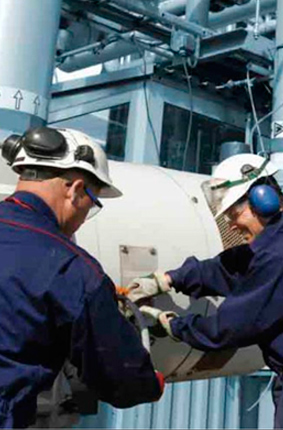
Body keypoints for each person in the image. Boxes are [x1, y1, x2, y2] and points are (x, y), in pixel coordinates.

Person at [127, 153, 283, 428]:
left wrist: (173, 326)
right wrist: (169, 279)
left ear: (262, 199)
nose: (232, 225)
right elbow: (231, 267)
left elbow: (232, 327)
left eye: (234, 214)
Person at [0, 127, 164, 428]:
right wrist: (150, 383)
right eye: (91, 203)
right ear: (76, 190)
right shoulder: (72, 269)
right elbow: (122, 380)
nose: (83, 219)